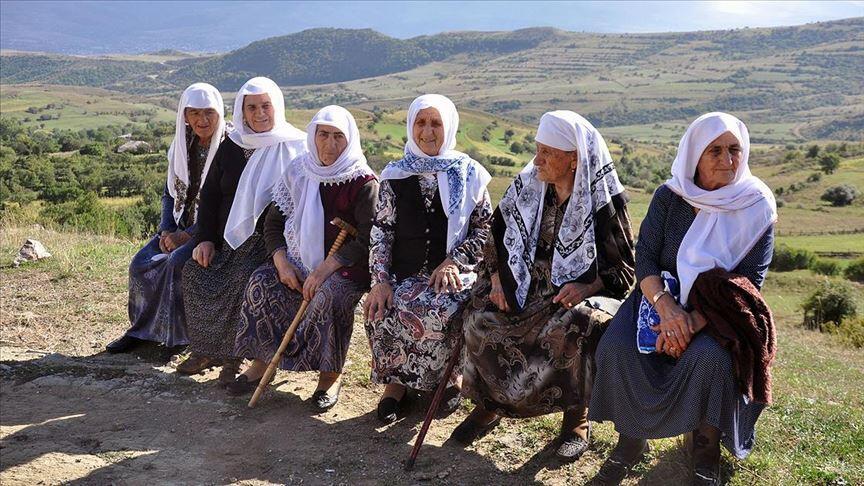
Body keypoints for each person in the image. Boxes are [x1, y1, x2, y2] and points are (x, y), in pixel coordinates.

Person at [588, 112, 777, 485]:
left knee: (711, 359)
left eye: (735, 150)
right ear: (694, 155)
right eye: (716, 151)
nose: (728, 161)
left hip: (720, 312)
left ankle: (704, 448)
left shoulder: (756, 205)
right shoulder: (670, 196)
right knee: (620, 346)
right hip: (660, 298)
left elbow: (750, 279)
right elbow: (646, 258)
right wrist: (666, 307)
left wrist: (691, 323)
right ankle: (631, 440)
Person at [452, 111, 636, 461]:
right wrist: (496, 279)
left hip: (572, 299)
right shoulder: (528, 187)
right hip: (523, 290)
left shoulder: (603, 201)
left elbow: (625, 270)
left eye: (546, 153)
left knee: (583, 324)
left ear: (573, 160)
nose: (536, 160)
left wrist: (587, 287)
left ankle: (576, 419)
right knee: (480, 317)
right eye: (537, 150)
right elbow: (496, 237)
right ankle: (491, 406)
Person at [229, 105, 379, 410]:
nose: (330, 144)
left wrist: (325, 269)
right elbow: (273, 223)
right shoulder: (299, 171)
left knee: (331, 296)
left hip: (347, 267)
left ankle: (330, 376)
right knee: (262, 282)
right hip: (297, 260)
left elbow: (370, 238)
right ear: (312, 136)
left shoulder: (363, 182)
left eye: (338, 136)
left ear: (350, 140)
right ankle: (262, 362)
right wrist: (281, 262)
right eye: (323, 135)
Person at [363, 94, 493, 423]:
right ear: (411, 126)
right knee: (380, 309)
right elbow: (382, 231)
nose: (427, 131)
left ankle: (448, 380)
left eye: (436, 123)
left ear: (448, 128)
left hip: (454, 272)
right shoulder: (394, 175)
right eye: (421, 122)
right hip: (403, 273)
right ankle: (395, 384)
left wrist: (454, 261)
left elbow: (485, 230)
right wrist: (379, 282)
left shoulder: (470, 174)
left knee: (441, 309)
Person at [177, 77, 306, 386]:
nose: (259, 114)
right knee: (195, 271)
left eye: (265, 106)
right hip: (228, 239)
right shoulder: (233, 145)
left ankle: (236, 357)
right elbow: (209, 196)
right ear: (242, 112)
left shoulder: (295, 146)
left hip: (273, 242)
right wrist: (205, 238)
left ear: (277, 107)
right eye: (251, 108)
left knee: (241, 277)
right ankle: (208, 350)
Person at [106, 83, 226, 354]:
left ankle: (178, 338)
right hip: (177, 227)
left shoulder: (228, 148)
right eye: (194, 113)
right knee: (140, 264)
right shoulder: (182, 145)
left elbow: (224, 207)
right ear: (184, 115)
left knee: (176, 264)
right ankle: (141, 330)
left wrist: (186, 236)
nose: (202, 120)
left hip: (211, 231)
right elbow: (169, 193)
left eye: (209, 113)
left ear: (220, 113)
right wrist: (165, 230)